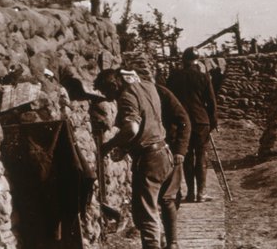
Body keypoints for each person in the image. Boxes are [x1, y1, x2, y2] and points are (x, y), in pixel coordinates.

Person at [93, 68, 174, 249]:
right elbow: (147, 123)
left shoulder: (126, 96)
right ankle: (162, 243)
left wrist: (109, 145)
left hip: (149, 159)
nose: (111, 98)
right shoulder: (147, 86)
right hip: (163, 153)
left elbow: (132, 129)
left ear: (115, 85)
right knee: (151, 209)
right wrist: (125, 147)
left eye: (108, 92)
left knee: (147, 215)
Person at [167, 47, 218, 203]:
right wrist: (213, 121)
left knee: (187, 156)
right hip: (201, 121)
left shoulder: (174, 77)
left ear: (183, 61)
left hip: (181, 122)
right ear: (197, 62)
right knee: (201, 155)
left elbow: (169, 101)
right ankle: (201, 193)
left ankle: (190, 193)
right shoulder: (203, 77)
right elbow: (211, 102)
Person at [156, 84, 191, 249]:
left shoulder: (162, 93)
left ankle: (172, 242)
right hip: (150, 152)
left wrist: (180, 150)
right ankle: (162, 235)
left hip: (171, 148)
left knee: (167, 197)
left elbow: (184, 120)